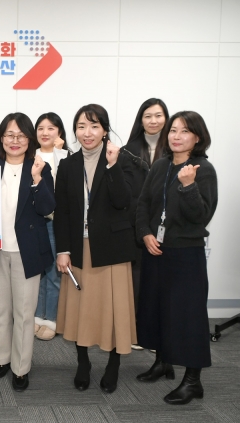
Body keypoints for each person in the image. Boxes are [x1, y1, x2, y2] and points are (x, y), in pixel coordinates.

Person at [135, 111, 217, 405]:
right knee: (156, 310)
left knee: (188, 317)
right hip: (156, 251)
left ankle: (193, 381)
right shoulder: (160, 165)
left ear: (197, 137)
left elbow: (201, 216)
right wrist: (145, 233)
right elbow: (143, 204)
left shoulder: (203, 170)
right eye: (173, 130)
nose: (176, 136)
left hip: (185, 255)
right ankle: (163, 362)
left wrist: (189, 186)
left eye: (184, 131)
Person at [54, 104, 136, 394]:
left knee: (113, 311)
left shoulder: (120, 159)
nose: (87, 133)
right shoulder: (68, 165)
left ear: (105, 130)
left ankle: (113, 365)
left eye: (94, 126)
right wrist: (62, 250)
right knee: (81, 311)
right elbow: (62, 212)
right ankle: (83, 363)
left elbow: (123, 201)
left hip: (111, 249)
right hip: (79, 249)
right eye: (81, 126)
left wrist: (112, 166)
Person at [0, 112, 55, 392]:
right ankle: (3, 359)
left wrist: (36, 179)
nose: (15, 140)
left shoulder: (40, 167)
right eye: (9, 134)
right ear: (1, 139)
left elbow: (47, 208)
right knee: (1, 311)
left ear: (30, 139)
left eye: (21, 135)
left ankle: (21, 369)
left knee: (23, 313)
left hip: (27, 253)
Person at [123, 98, 169, 350]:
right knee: (137, 282)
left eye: (158, 115)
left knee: (163, 283)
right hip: (136, 228)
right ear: (140, 120)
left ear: (166, 118)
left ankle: (158, 334)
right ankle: (137, 331)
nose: (153, 121)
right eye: (148, 116)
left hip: (167, 228)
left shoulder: (174, 149)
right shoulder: (128, 151)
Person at [33, 112, 69, 341]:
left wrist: (60, 153)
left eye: (51, 128)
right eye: (41, 128)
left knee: (54, 273)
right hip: (35, 222)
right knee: (38, 273)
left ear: (59, 132)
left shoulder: (66, 157)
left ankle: (52, 319)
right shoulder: (30, 155)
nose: (45, 133)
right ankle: (38, 316)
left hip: (56, 222)